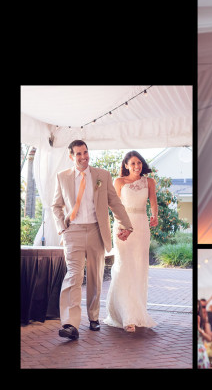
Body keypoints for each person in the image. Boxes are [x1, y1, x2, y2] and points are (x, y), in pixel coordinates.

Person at [52, 140, 134, 340]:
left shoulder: (102, 176)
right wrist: (62, 229)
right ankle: (71, 324)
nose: (83, 157)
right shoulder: (62, 177)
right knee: (73, 276)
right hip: (73, 232)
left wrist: (127, 224)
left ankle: (94, 317)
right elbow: (56, 205)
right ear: (71, 156)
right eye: (78, 154)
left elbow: (114, 202)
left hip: (97, 231)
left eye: (85, 152)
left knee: (95, 277)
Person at [104, 151, 158, 332]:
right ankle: (126, 316)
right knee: (124, 266)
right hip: (123, 225)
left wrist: (155, 216)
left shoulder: (149, 182)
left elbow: (153, 202)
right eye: (133, 163)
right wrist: (122, 227)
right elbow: (114, 206)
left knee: (139, 267)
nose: (137, 166)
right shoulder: (118, 182)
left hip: (142, 226)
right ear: (126, 165)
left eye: (139, 163)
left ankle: (137, 312)